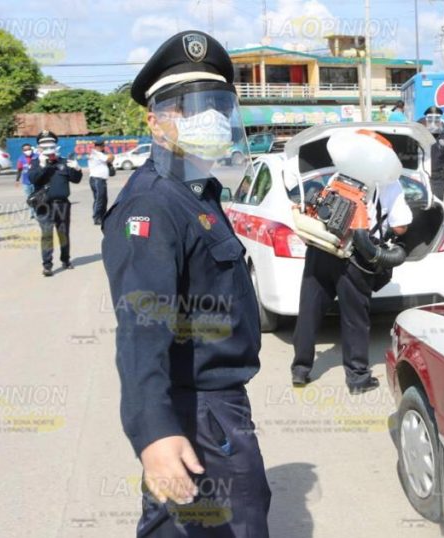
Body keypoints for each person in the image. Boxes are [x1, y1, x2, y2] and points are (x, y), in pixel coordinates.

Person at [101, 30, 271, 537]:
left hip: (216, 406)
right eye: (187, 106)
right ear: (154, 123)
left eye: (216, 104)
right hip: (197, 409)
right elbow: (141, 326)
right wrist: (154, 431)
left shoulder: (196, 191)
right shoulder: (153, 203)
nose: (207, 117)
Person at [292, 130, 413, 393]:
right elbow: (400, 225)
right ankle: (357, 378)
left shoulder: (340, 174)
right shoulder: (388, 182)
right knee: (354, 318)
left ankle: (300, 369)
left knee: (309, 311)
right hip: (356, 256)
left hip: (322, 247)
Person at [29, 131, 82, 277]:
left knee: (63, 234)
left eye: (50, 146)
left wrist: (77, 169)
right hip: (43, 205)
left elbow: (76, 180)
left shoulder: (63, 162)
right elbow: (33, 179)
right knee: (47, 235)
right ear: (39, 148)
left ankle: (65, 260)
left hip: (62, 205)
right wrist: (42, 165)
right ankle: (47, 265)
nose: (48, 150)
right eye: (44, 147)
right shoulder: (35, 163)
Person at [88, 140, 114, 225]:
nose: (103, 148)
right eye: (103, 146)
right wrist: (111, 155)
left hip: (100, 180)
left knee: (103, 199)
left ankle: (103, 216)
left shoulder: (99, 154)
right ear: (99, 146)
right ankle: (97, 217)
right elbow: (109, 159)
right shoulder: (96, 154)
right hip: (97, 179)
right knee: (99, 199)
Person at [16, 143, 38, 217]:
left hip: (36, 181)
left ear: (31, 149)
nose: (27, 151)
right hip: (26, 182)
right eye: (25, 150)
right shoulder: (21, 159)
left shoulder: (36, 157)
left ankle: (37, 212)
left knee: (37, 197)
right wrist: (17, 180)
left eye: (29, 149)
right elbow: (19, 170)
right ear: (22, 151)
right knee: (29, 197)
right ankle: (32, 212)